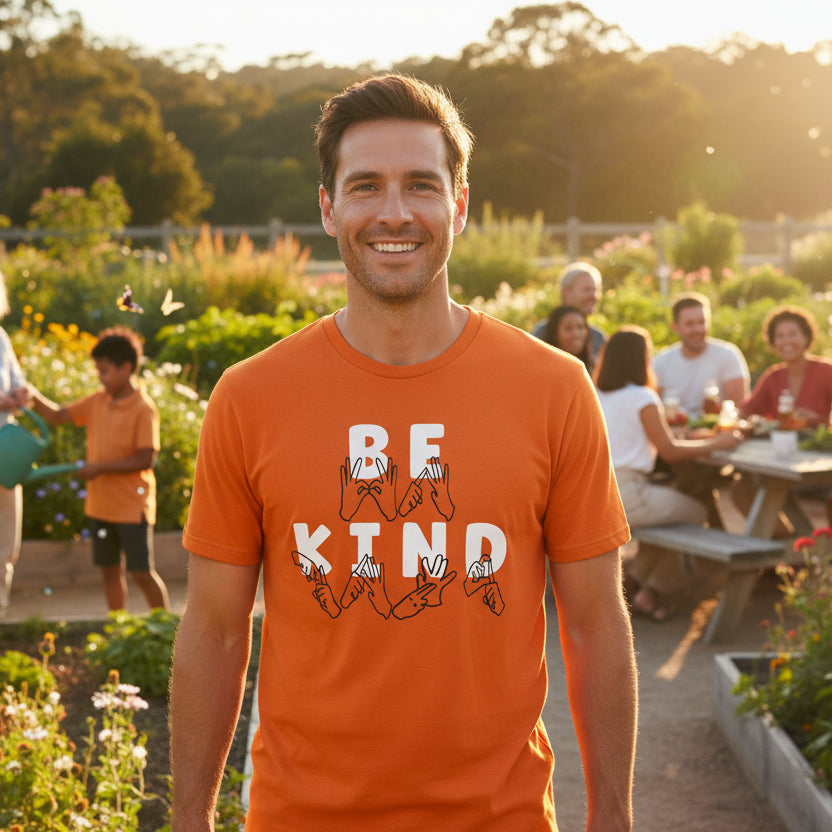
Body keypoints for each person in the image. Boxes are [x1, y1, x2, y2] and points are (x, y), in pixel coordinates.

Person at [170, 74, 636, 832]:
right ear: (328, 207)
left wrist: (612, 817)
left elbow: (594, 623)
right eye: (365, 187)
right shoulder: (250, 397)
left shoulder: (553, 388)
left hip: (501, 817)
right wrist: (190, 819)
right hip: (301, 817)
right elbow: (216, 630)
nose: (394, 213)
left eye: (421, 184)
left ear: (460, 203)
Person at [594, 326, 743, 621]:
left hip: (600, 493)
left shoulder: (596, 394)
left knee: (668, 516)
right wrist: (718, 442)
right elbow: (670, 451)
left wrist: (689, 437)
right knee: (696, 512)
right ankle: (655, 590)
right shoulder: (642, 396)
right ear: (639, 360)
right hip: (630, 493)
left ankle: (637, 582)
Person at [29, 325, 170, 613]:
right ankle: (117, 627)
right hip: (101, 508)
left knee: (141, 573)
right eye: (98, 371)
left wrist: (99, 468)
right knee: (109, 571)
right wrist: (30, 395)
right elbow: (58, 416)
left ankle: (164, 627)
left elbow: (146, 459)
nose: (100, 377)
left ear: (126, 368)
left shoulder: (143, 409)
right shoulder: (97, 401)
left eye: (105, 371)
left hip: (132, 508)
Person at [653, 292, 750, 417]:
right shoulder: (661, 361)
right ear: (675, 327)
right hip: (675, 433)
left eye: (702, 322)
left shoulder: (728, 354)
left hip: (717, 432)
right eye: (690, 324)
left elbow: (737, 407)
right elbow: (653, 409)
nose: (697, 329)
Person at [740, 305, 832, 427]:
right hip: (779, 445)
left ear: (806, 337)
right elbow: (746, 412)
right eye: (780, 336)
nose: (786, 341)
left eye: (793, 334)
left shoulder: (826, 371)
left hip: (820, 445)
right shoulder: (772, 377)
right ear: (773, 342)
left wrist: (817, 420)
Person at [0, 270, 31, 617]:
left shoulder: (1, 337)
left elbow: (18, 380)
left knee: (6, 538)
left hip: (5, 449)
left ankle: (0, 611)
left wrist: (21, 393)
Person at [533, 261, 606, 368]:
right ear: (566, 292)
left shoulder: (598, 337)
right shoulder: (542, 333)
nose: (593, 296)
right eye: (587, 290)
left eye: (596, 290)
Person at [537, 303, 592, 370]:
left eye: (580, 327)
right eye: (568, 328)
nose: (576, 334)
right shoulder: (542, 369)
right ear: (555, 334)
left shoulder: (595, 368)